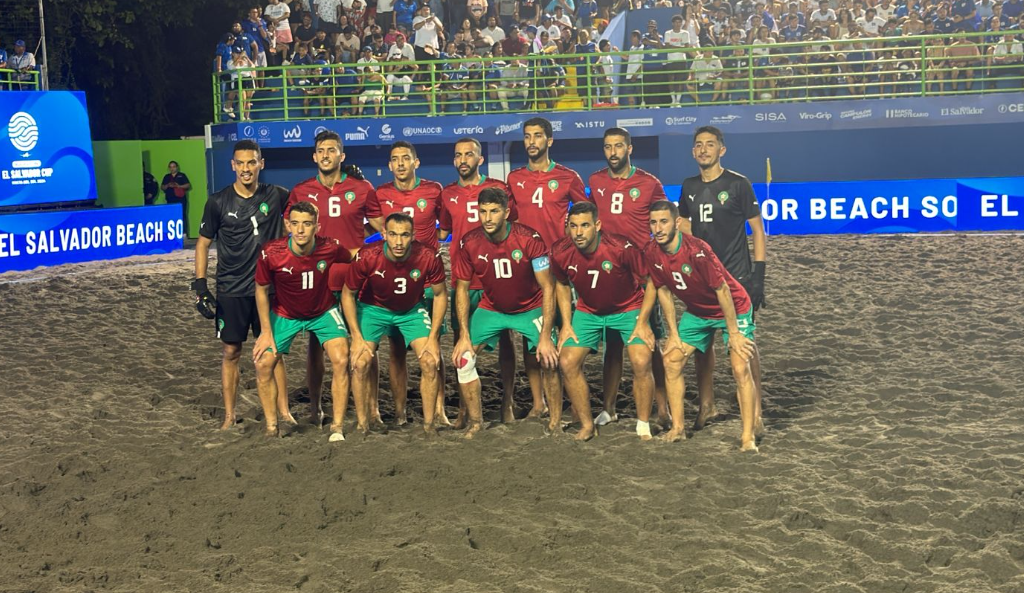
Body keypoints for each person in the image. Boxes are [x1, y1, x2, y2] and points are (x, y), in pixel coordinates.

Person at [644, 200, 758, 451]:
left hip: (733, 306)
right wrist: (673, 333)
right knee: (671, 360)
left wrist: (735, 333)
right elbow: (663, 290)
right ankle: (678, 428)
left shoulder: (697, 250)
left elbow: (723, 290)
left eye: (663, 221)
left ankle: (748, 436)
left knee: (739, 368)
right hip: (698, 312)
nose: (658, 228)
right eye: (653, 222)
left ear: (676, 222)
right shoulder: (651, 251)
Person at [193, 140, 290, 430]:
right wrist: (200, 286)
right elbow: (202, 244)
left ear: (261, 163)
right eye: (241, 163)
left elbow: (307, 211)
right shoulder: (217, 201)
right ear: (232, 165)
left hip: (269, 290)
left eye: (252, 162)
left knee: (274, 352)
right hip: (231, 290)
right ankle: (229, 415)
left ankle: (284, 412)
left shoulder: (278, 196)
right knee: (231, 352)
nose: (246, 169)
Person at [450, 187, 561, 438]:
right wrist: (464, 335)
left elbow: (548, 286)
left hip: (529, 307)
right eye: (483, 212)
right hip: (492, 308)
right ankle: (476, 423)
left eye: (494, 211)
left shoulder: (530, 238)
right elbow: (462, 289)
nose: (487, 218)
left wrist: (545, 335)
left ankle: (555, 423)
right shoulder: (469, 242)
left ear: (507, 213)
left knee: (550, 359)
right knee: (463, 359)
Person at [679, 126, 766, 434]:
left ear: (722, 150)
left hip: (736, 277)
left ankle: (756, 412)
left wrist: (759, 276)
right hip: (703, 278)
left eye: (710, 145)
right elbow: (684, 227)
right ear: (693, 152)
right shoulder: (688, 186)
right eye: (699, 145)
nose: (704, 150)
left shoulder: (738, 184)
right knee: (703, 346)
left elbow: (757, 229)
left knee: (743, 346)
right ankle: (707, 405)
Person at [287, 130, 375, 427]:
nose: (326, 155)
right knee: (316, 348)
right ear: (314, 156)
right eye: (321, 150)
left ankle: (371, 408)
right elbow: (292, 233)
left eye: (332, 150)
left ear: (342, 155)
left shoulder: (362, 188)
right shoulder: (301, 191)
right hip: (318, 283)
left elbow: (383, 227)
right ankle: (315, 407)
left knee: (365, 344)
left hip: (355, 281)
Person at [551, 202, 657, 442]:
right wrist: (566, 323)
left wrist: (643, 321)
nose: (578, 232)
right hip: (588, 311)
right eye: (573, 226)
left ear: (597, 225)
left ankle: (643, 424)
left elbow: (651, 280)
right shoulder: (560, 250)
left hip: (628, 307)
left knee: (641, 360)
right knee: (567, 362)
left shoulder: (621, 247)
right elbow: (561, 284)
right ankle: (588, 424)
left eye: (585, 226)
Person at [586, 127, 670, 427]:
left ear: (629, 149)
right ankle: (609, 408)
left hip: (642, 272)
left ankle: (662, 408)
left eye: (619, 146)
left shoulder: (649, 183)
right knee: (612, 344)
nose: (613, 152)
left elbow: (665, 220)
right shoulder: (595, 181)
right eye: (608, 147)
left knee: (650, 341)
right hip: (609, 271)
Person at [506, 117, 586, 416]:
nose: (532, 142)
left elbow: (584, 216)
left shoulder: (568, 177)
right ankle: (539, 402)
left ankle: (572, 398)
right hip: (526, 268)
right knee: (532, 336)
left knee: (565, 334)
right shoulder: (514, 179)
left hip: (560, 267)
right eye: (527, 137)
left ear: (549, 141)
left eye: (538, 136)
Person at [364, 142, 448, 426]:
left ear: (416, 162)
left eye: (406, 159)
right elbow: (378, 227)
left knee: (433, 348)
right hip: (395, 279)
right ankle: (399, 413)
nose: (400, 164)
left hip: (427, 279)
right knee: (396, 350)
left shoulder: (434, 190)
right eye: (395, 159)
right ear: (389, 165)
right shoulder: (381, 193)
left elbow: (445, 227)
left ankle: (439, 410)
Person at [341, 213, 448, 435]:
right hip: (373, 309)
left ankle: (428, 426)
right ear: (384, 235)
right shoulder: (367, 256)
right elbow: (348, 294)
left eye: (405, 235)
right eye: (393, 235)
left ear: (413, 235)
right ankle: (363, 424)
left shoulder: (429, 256)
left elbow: (439, 295)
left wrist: (433, 337)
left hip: (411, 310)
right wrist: (357, 338)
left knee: (429, 361)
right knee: (360, 362)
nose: (399, 242)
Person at [252, 202, 352, 437]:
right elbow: (260, 289)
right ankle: (271, 427)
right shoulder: (271, 253)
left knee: (341, 358)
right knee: (263, 363)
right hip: (285, 313)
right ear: (287, 225)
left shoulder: (331, 247)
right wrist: (266, 332)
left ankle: (336, 425)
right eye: (295, 224)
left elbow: (353, 259)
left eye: (307, 224)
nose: (300, 230)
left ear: (317, 226)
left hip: (323, 311)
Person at [439, 138, 520, 423]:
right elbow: (444, 232)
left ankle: (507, 403)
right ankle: (464, 409)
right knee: (461, 342)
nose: (463, 159)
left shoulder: (499, 189)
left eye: (469, 154)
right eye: (458, 154)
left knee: (506, 338)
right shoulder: (447, 194)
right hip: (463, 279)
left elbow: (513, 227)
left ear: (480, 159)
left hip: (496, 276)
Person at [161, 161, 192, 228]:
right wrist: (168, 185)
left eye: (174, 167)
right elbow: (162, 187)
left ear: (177, 167)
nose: (172, 169)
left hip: (180, 199)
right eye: (170, 167)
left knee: (182, 215)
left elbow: (188, 185)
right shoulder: (167, 177)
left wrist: (178, 186)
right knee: (171, 215)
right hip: (170, 199)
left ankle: (184, 232)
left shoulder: (182, 175)